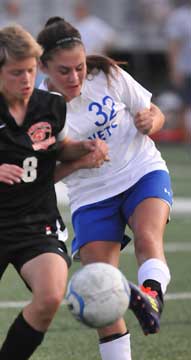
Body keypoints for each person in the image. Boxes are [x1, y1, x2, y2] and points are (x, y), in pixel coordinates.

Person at [37, 17, 173, 360]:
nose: (75, 77)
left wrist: (151, 120)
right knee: (101, 290)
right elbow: (41, 176)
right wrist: (81, 157)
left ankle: (151, 295)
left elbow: (154, 113)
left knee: (147, 237)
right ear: (43, 68)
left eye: (79, 67)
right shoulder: (39, 110)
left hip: (141, 170)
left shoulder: (108, 75)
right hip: (91, 195)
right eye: (64, 71)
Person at [0, 24, 108, 360]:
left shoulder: (51, 106)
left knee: (49, 296)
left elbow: (56, 151)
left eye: (31, 70)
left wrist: (82, 152)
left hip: (35, 223)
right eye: (17, 72)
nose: (26, 79)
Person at [165, 0, 191, 140]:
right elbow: (174, 45)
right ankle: (186, 141)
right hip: (187, 69)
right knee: (185, 107)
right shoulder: (180, 17)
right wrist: (175, 69)